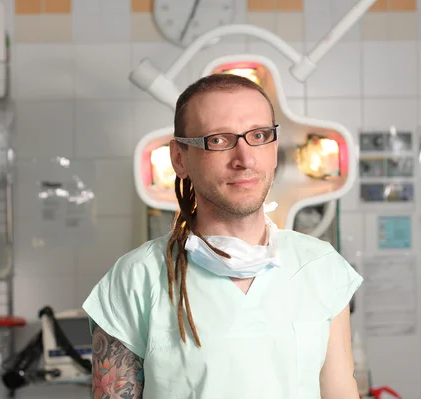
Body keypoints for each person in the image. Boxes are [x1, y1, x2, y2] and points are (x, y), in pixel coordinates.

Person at [82, 73, 363, 399]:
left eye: (258, 135)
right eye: (218, 140)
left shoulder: (320, 267)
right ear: (179, 158)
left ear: (274, 147)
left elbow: (340, 392)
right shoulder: (137, 278)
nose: (244, 160)